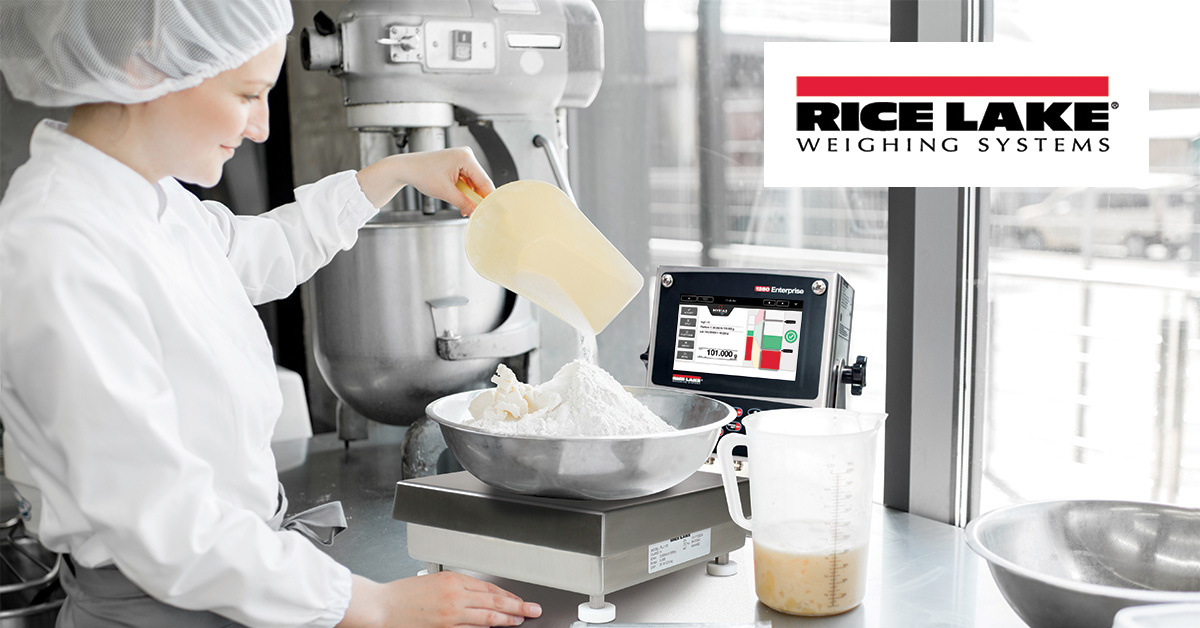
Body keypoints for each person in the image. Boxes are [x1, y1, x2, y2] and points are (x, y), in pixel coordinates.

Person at [0, 1, 541, 627]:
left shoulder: (146, 200)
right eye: (248, 94)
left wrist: (394, 173)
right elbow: (161, 522)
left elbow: (259, 250)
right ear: (146, 66)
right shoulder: (57, 243)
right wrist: (372, 605)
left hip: (233, 583)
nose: (260, 127)